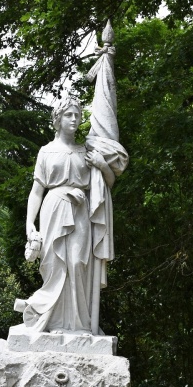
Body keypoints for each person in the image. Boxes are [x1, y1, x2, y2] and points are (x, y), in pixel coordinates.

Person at [15, 96, 117, 333]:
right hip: (54, 209)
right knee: (54, 264)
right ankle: (54, 321)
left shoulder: (87, 152)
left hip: (80, 212)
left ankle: (79, 325)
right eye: (68, 115)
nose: (74, 119)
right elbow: (37, 191)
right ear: (58, 119)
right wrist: (30, 223)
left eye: (77, 115)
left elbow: (106, 185)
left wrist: (102, 165)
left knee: (77, 263)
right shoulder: (46, 152)